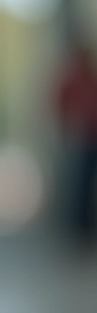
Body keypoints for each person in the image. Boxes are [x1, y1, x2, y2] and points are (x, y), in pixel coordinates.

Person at [54, 41, 97, 240]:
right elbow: (61, 106)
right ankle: (78, 228)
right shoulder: (72, 79)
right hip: (82, 139)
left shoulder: (92, 79)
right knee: (81, 184)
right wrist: (66, 133)